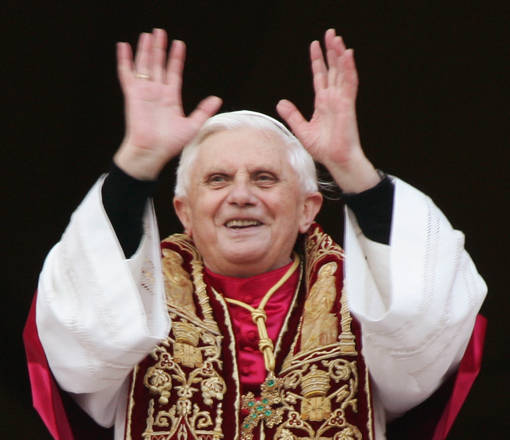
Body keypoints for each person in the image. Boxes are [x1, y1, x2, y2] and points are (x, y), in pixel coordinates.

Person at [25, 28, 487, 439]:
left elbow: (429, 330)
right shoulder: (136, 298)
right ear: (183, 212)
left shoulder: (366, 297)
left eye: (264, 178)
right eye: (217, 180)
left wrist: (350, 167)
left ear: (308, 209)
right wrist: (138, 163)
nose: (241, 195)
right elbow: (77, 335)